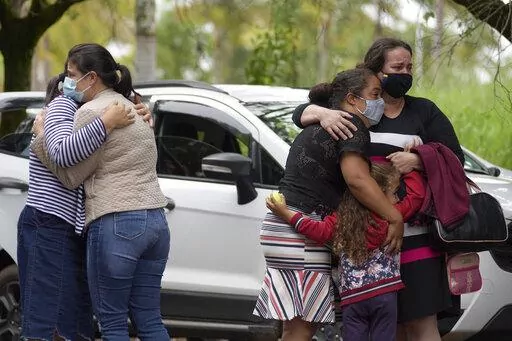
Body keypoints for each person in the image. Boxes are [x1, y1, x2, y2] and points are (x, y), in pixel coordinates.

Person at [292, 37, 464, 341]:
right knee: (385, 327)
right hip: (367, 240)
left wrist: (419, 159)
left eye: (409, 67)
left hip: (415, 237)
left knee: (422, 323)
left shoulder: (424, 111)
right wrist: (322, 113)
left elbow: (455, 160)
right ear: (376, 72)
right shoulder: (360, 111)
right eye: (397, 67)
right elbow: (301, 114)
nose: (405, 73)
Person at [31, 43, 170, 341]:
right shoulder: (136, 110)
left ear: (91, 78)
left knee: (113, 325)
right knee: (150, 320)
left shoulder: (90, 113)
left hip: (116, 223)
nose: (66, 81)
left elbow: (70, 176)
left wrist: (41, 138)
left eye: (71, 74)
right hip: (156, 223)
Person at [253, 67, 404, 341]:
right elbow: (357, 179)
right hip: (300, 231)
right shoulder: (352, 126)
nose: (380, 101)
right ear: (352, 99)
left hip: (281, 228)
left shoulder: (324, 123)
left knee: (294, 326)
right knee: (303, 327)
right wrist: (394, 217)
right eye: (374, 94)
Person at [17, 73, 148, 341]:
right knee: (46, 319)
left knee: (73, 319)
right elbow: (64, 157)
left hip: (75, 226)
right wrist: (105, 122)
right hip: (49, 221)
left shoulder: (91, 111)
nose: (73, 83)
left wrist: (144, 117)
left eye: (75, 75)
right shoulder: (63, 106)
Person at [265, 161, 426, 341]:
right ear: (377, 194)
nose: (396, 199)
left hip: (353, 298)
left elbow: (315, 230)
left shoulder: (341, 219)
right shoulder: (391, 216)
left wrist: (286, 213)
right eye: (393, 193)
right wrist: (410, 167)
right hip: (385, 295)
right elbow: (417, 195)